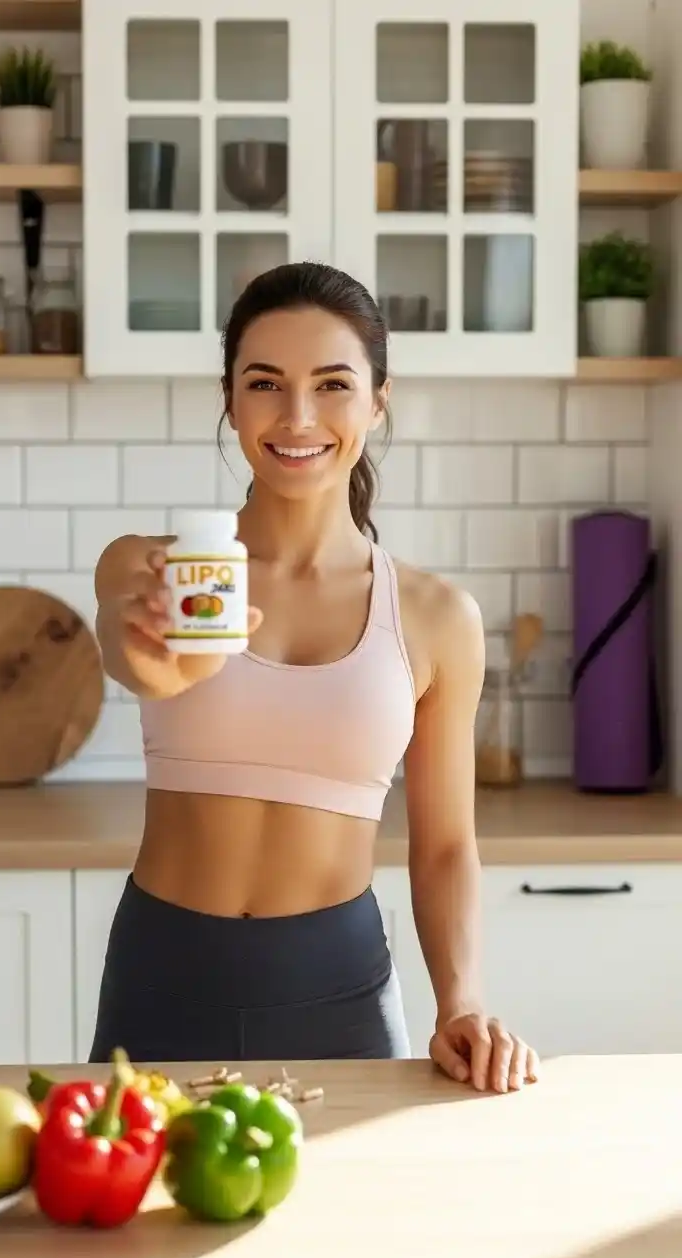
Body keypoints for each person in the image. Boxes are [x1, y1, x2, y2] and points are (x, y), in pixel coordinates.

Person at [92, 261, 539, 1092]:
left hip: (337, 986)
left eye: (333, 384)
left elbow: (444, 846)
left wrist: (462, 1001)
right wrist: (156, 652)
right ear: (230, 399)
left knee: (360, 1220)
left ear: (378, 399)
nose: (297, 416)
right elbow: (137, 663)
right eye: (266, 382)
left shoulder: (438, 616)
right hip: (162, 973)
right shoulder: (153, 569)